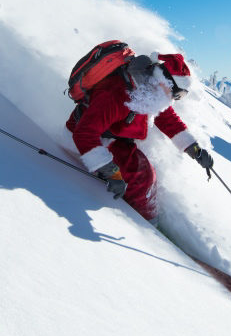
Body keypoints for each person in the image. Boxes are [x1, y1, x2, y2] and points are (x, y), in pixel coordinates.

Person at [66, 52, 213, 224]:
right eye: (178, 93)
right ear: (165, 82)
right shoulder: (117, 93)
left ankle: (146, 215)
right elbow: (84, 132)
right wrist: (109, 170)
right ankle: (144, 225)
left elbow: (167, 118)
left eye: (181, 96)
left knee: (145, 172)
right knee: (141, 177)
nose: (176, 99)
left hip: (114, 138)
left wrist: (193, 148)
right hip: (91, 141)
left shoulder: (150, 89)